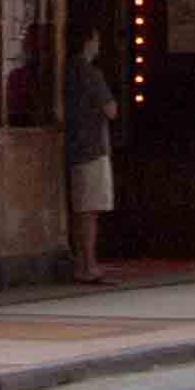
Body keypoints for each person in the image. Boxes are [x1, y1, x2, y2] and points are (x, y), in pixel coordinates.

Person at [65, 31, 121, 285]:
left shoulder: (66, 72)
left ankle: (80, 261)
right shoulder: (91, 74)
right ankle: (88, 265)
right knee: (90, 210)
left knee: (80, 210)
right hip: (92, 147)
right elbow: (111, 110)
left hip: (74, 146)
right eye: (97, 40)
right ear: (88, 42)